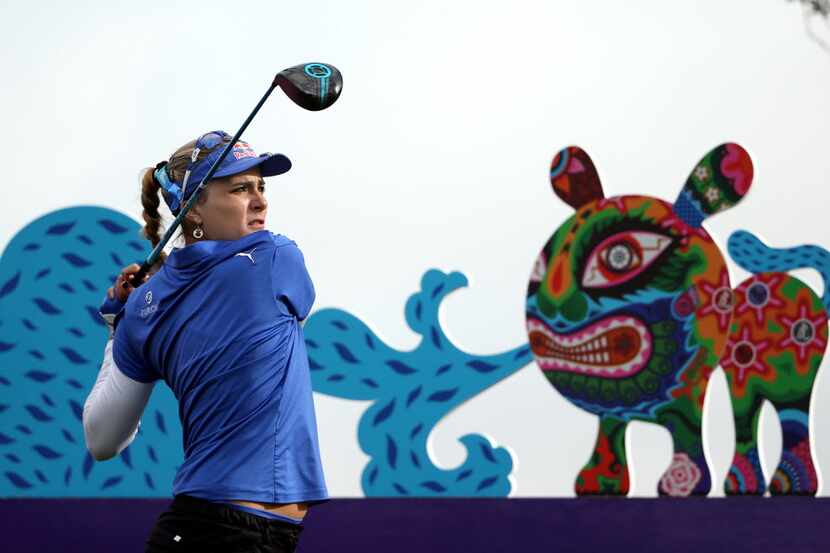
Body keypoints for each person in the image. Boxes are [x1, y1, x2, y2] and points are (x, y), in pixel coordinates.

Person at [83, 130, 328, 553]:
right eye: (239, 188)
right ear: (193, 207)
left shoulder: (144, 305)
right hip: (224, 531)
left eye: (261, 186)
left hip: (213, 528)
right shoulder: (275, 259)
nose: (260, 200)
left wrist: (117, 325)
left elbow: (103, 439)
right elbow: (103, 443)